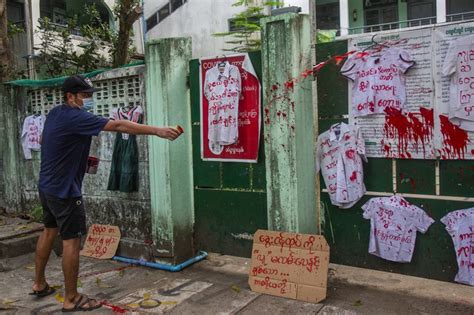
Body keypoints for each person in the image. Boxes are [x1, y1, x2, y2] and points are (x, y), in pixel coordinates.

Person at [30, 75, 181, 312]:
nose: (88, 100)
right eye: (84, 96)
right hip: (65, 190)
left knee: (49, 231)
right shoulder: (75, 116)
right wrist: (158, 131)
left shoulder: (55, 114)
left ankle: (39, 284)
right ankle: (71, 298)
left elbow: (45, 140)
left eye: (90, 95)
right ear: (70, 96)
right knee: (72, 240)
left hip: (47, 186)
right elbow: (118, 125)